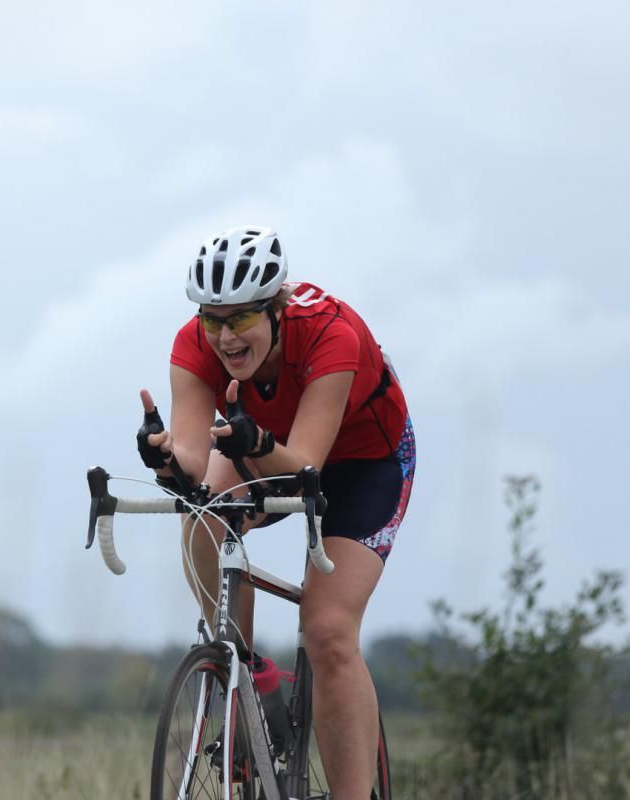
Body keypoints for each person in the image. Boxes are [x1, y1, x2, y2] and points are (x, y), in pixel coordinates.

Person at [137, 225, 416, 798]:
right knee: (204, 510)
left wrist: (256, 443)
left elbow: (304, 467)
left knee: (329, 631)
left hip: (364, 462)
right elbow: (192, 459)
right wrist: (164, 460)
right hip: (262, 444)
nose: (223, 336)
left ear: (279, 307)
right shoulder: (195, 344)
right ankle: (242, 668)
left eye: (240, 318)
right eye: (212, 319)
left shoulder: (333, 335)